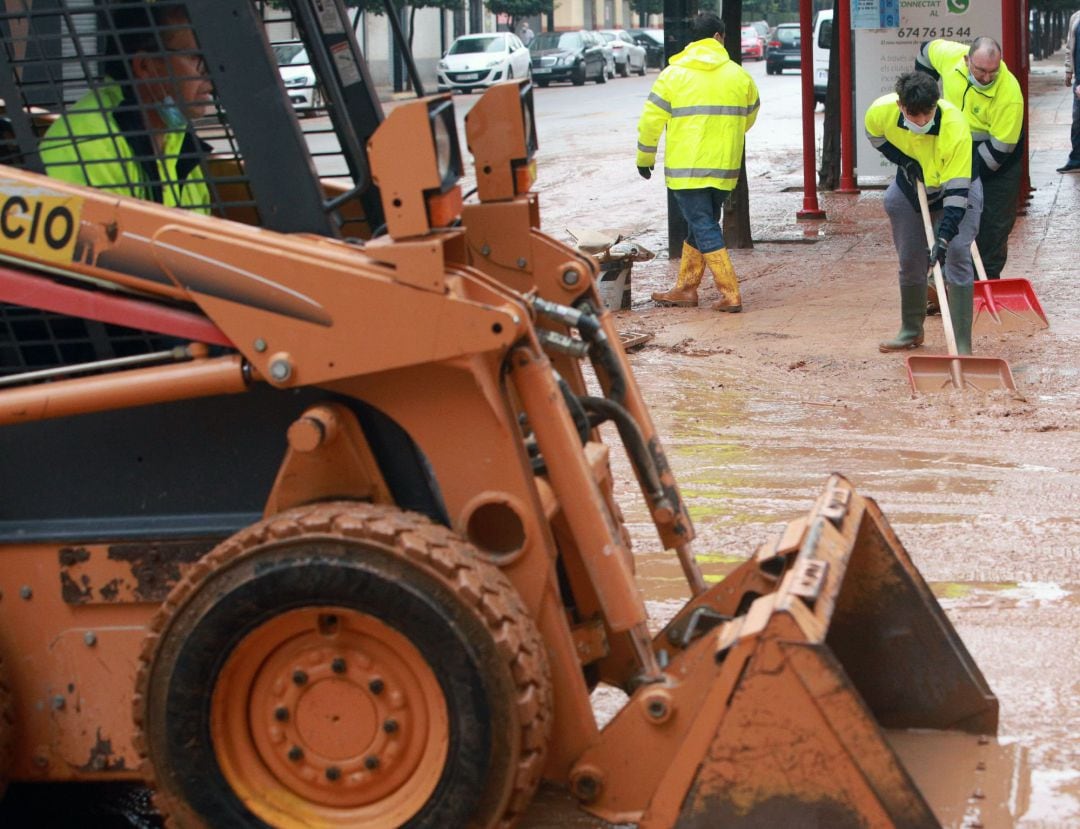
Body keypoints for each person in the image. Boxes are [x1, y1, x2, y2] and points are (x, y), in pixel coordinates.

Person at [635, 12, 759, 312]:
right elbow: (750, 115)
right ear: (719, 37)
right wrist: (726, 134)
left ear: (694, 40)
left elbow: (651, 120)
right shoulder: (739, 75)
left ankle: (730, 293)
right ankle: (686, 289)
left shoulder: (672, 75)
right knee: (701, 224)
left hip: (686, 169)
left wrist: (645, 157)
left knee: (703, 224)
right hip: (724, 169)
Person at [39, 1, 213, 213]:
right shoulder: (87, 147)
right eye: (196, 58)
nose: (209, 73)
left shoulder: (176, 138)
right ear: (145, 66)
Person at [865, 72, 982, 356]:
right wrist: (904, 161)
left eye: (926, 114)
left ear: (936, 104)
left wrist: (942, 240)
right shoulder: (881, 111)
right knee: (910, 259)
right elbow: (874, 135)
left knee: (957, 255)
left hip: (956, 190)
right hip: (912, 188)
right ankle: (911, 330)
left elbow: (956, 199)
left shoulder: (955, 128)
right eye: (913, 114)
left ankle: (962, 345)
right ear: (900, 106)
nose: (920, 121)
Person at [915, 37, 1022, 280]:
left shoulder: (1009, 93)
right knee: (950, 214)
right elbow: (924, 52)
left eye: (992, 72)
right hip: (956, 145)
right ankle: (942, 281)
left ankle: (985, 282)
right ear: (966, 60)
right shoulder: (950, 56)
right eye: (980, 71)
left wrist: (964, 176)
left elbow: (999, 151)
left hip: (998, 161)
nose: (986, 78)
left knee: (992, 226)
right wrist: (925, 95)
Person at [1058, 9, 1080, 173]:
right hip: (1079, 79)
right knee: (1077, 121)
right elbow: (1069, 47)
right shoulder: (1076, 17)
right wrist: (1068, 71)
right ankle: (1076, 159)